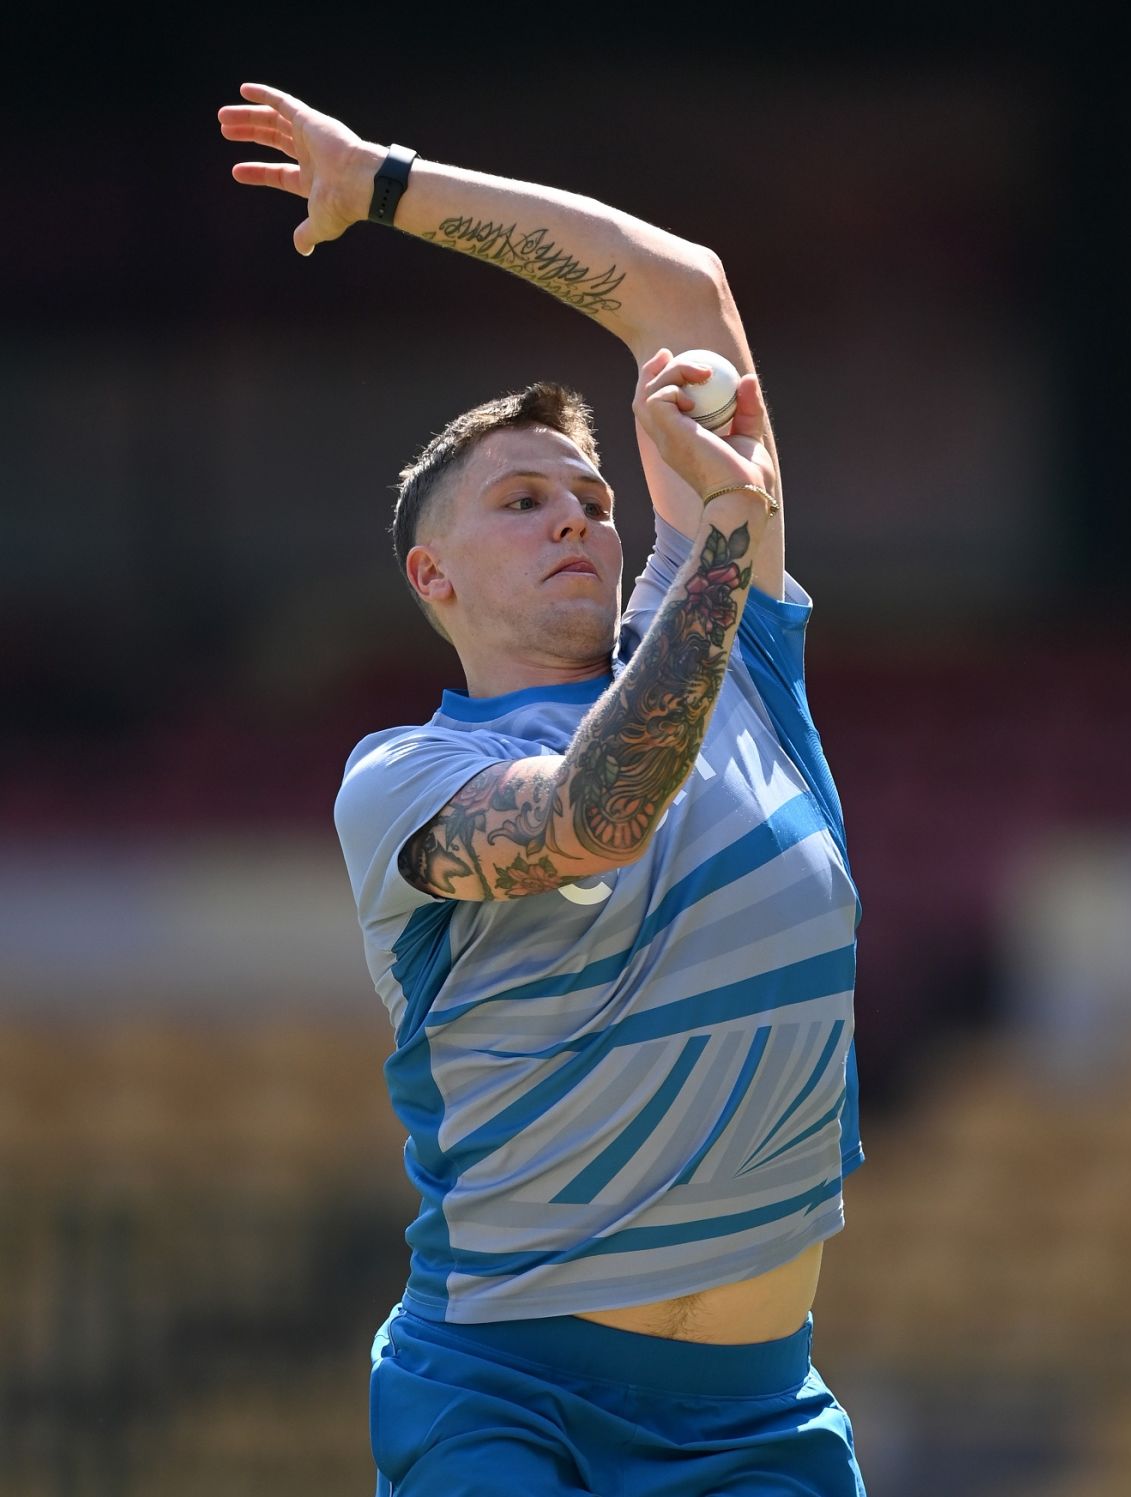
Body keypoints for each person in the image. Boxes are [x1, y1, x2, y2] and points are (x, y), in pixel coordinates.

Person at [219, 81, 868, 1497]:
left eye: (590, 493)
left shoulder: (734, 656)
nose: (575, 511)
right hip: (510, 1395)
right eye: (522, 500)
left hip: (761, 1415)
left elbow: (677, 286)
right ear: (430, 576)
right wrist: (714, 547)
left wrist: (384, 182)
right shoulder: (403, 776)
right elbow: (594, 816)